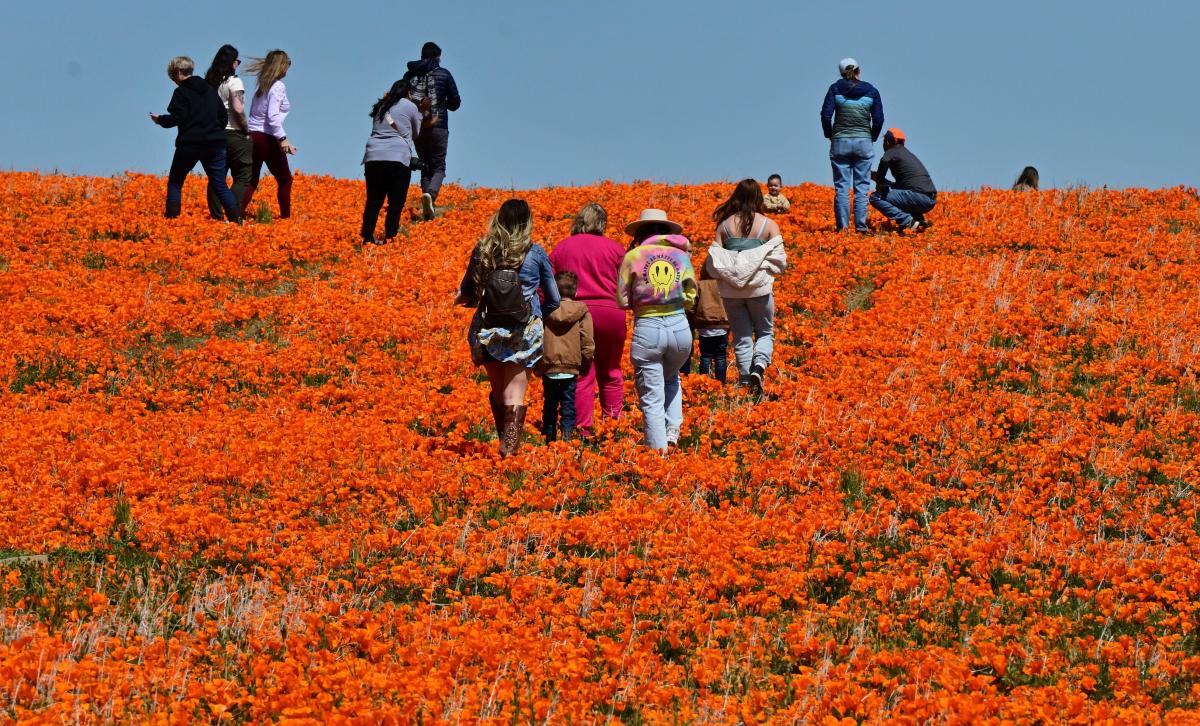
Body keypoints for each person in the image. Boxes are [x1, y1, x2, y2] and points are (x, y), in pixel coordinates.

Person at [456, 199, 560, 457]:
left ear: (499, 220)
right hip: (523, 332)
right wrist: (537, 315)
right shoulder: (535, 252)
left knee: (498, 391)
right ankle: (509, 449)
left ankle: (505, 444)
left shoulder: (483, 250)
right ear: (527, 223)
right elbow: (554, 298)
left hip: (488, 329)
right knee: (514, 392)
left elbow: (466, 292)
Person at [617, 209, 697, 450]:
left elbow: (622, 299)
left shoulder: (633, 256)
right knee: (671, 377)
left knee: (652, 397)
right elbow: (691, 293)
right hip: (680, 327)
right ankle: (672, 431)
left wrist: (640, 303)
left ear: (640, 232)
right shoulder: (681, 256)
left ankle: (657, 454)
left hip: (648, 328)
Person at [549, 203, 626, 438]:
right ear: (602, 223)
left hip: (576, 314)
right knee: (611, 371)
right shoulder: (615, 249)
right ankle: (612, 428)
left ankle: (582, 430)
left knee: (582, 372)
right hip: (611, 312)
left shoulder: (562, 248)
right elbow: (627, 284)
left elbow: (548, 285)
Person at [706, 179, 787, 394]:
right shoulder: (768, 225)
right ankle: (758, 368)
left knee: (741, 335)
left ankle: (744, 380)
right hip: (759, 288)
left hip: (731, 292)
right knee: (765, 332)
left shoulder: (724, 226)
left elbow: (715, 259)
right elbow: (780, 259)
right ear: (758, 197)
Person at [149, 56, 241, 222]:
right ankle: (236, 221)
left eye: (172, 76)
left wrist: (160, 120)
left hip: (190, 144)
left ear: (178, 72)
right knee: (220, 184)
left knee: (176, 181)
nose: (173, 80)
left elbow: (178, 117)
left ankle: (171, 222)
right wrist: (213, 131)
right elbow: (222, 117)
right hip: (215, 143)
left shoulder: (181, 92)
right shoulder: (209, 89)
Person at [820, 58, 884, 233]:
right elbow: (878, 119)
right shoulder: (871, 91)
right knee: (862, 188)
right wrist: (872, 137)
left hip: (840, 142)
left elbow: (826, 115)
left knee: (841, 187)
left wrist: (830, 135)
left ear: (841, 73)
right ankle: (861, 228)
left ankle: (843, 229)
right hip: (863, 142)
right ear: (859, 71)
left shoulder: (835, 89)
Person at [360, 78, 421, 244]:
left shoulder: (382, 105)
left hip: (373, 156)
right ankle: (390, 237)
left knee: (374, 200)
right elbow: (416, 133)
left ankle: (367, 237)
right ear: (408, 93)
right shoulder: (410, 106)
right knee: (396, 201)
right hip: (398, 157)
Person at [406, 42, 461, 220]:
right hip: (438, 125)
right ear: (437, 57)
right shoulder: (444, 74)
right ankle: (430, 195)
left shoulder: (411, 75)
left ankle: (426, 204)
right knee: (438, 166)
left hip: (418, 126)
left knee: (425, 165)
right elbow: (455, 102)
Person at [537, 271, 595, 442]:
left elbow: (537, 335)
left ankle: (549, 437)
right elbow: (587, 341)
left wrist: (537, 364)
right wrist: (585, 364)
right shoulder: (582, 311)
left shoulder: (546, 311)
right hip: (571, 367)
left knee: (550, 404)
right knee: (568, 405)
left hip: (549, 366)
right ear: (575, 292)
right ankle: (567, 438)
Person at [243, 50, 296, 219]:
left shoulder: (262, 85)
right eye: (287, 65)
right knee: (285, 180)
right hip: (267, 137)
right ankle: (286, 219)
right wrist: (283, 139)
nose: (288, 69)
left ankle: (235, 214)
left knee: (251, 179)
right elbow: (273, 117)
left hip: (253, 135)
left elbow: (252, 113)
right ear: (281, 66)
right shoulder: (278, 86)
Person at [203, 45, 252, 220]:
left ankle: (216, 218)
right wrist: (246, 129)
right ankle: (233, 212)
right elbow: (238, 109)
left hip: (215, 134)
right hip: (234, 133)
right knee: (242, 176)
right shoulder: (234, 82)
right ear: (232, 63)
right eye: (237, 61)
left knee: (217, 177)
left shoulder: (210, 83)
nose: (238, 64)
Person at [869, 128, 937, 232]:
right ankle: (919, 223)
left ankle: (909, 222)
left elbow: (884, 161)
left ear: (887, 142)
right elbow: (900, 186)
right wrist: (879, 178)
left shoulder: (891, 152)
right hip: (928, 199)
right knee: (894, 190)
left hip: (918, 196)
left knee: (876, 197)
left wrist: (879, 181)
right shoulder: (905, 153)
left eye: (884, 142)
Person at [689, 265, 731, 383]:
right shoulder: (723, 284)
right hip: (722, 326)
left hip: (705, 326)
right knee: (721, 357)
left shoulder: (700, 285)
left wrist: (692, 318)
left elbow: (692, 305)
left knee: (705, 356)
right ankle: (721, 384)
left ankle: (704, 383)